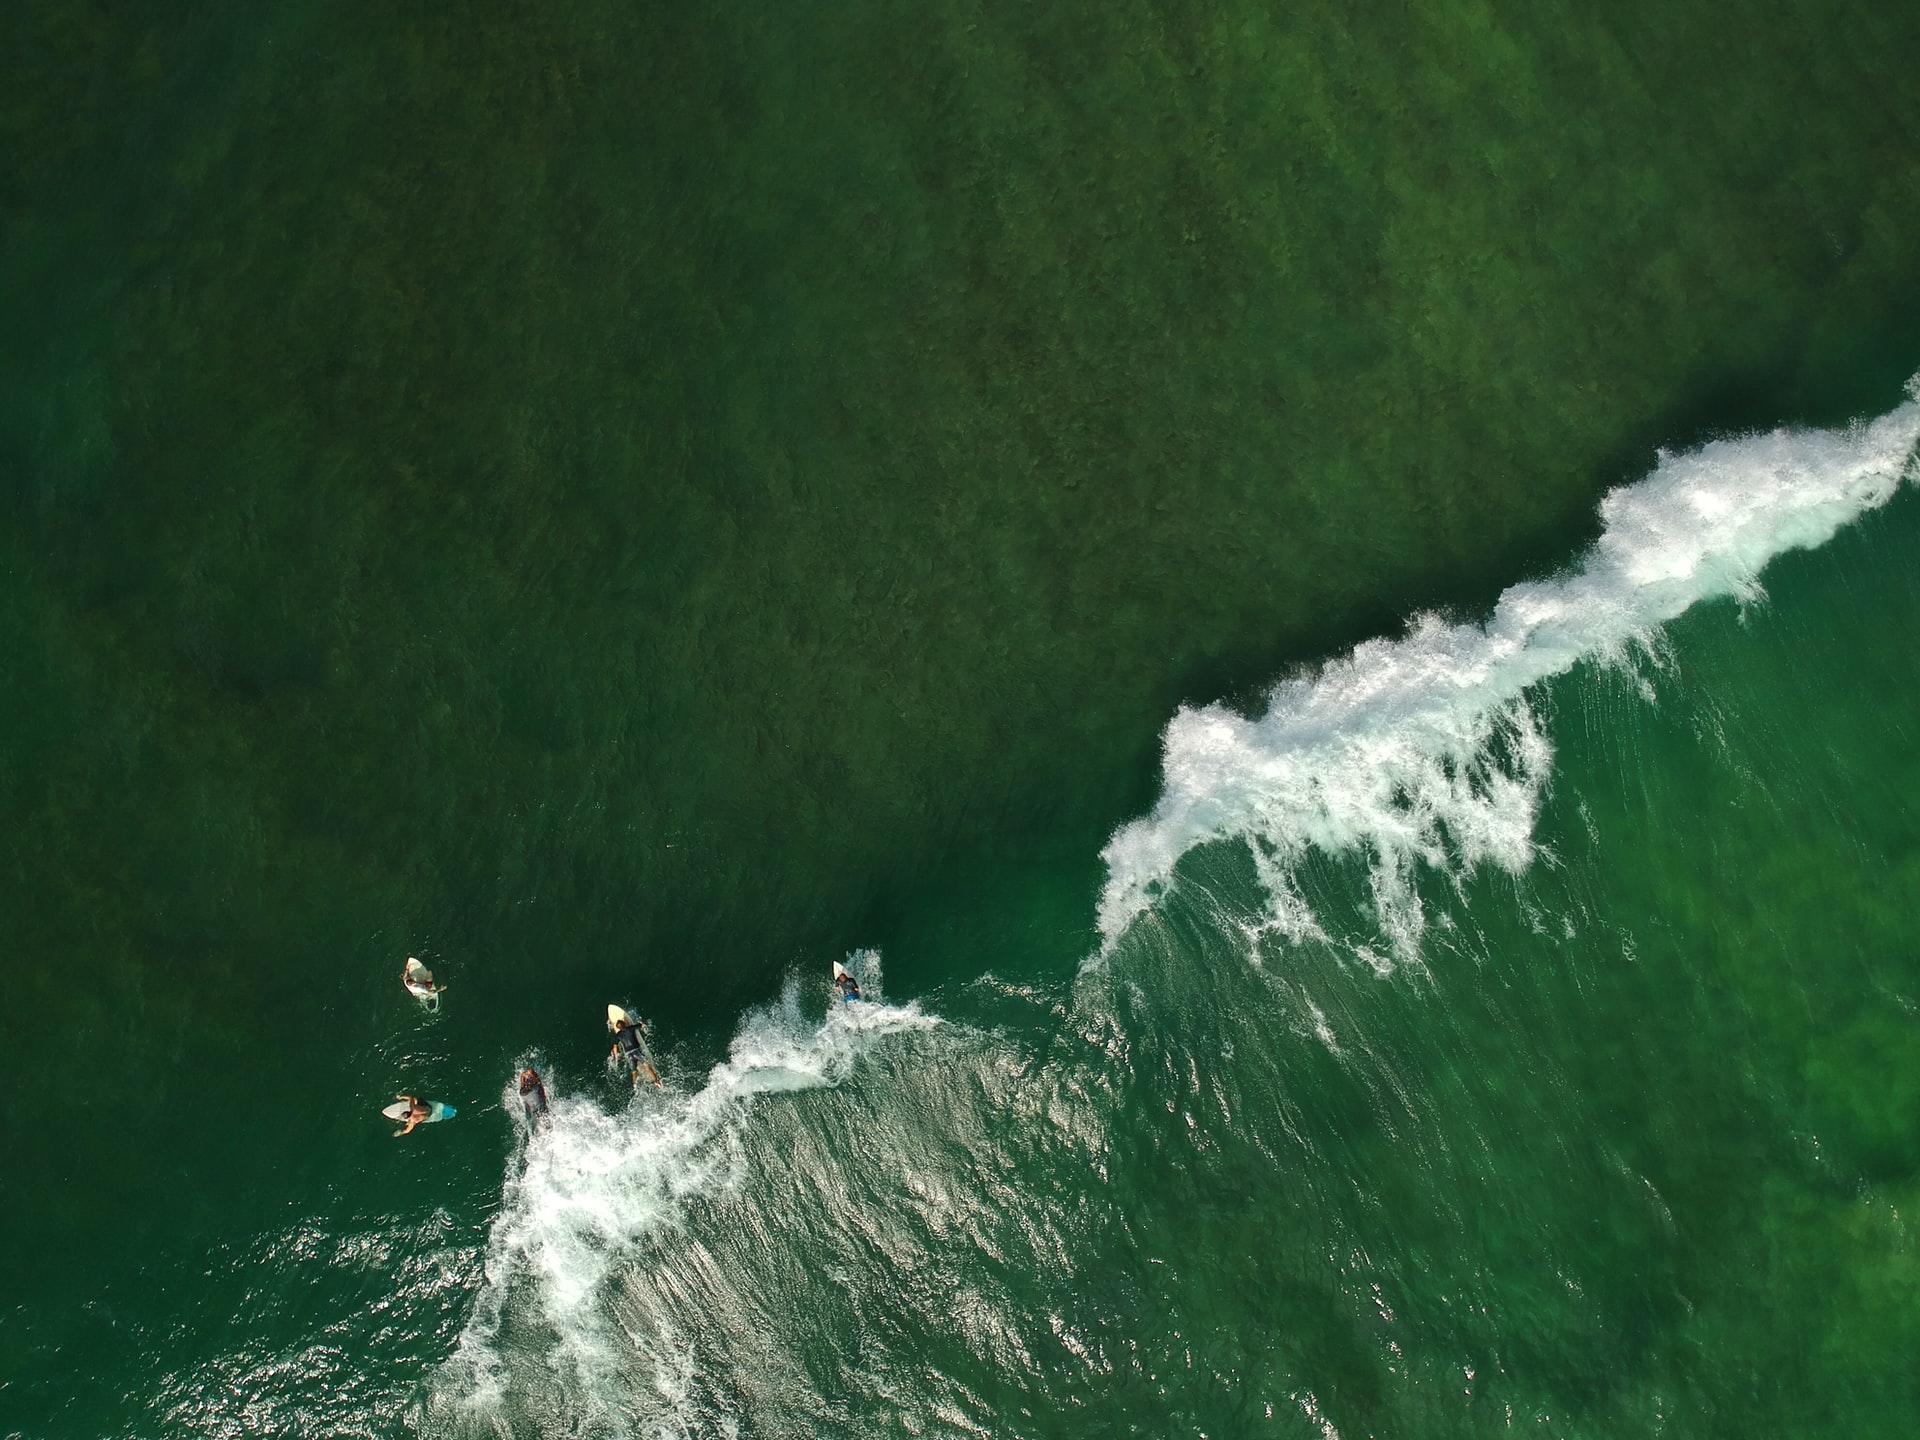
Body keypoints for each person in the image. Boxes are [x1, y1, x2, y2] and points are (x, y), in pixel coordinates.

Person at [610, 1016, 662, 1089]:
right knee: (646, 1065)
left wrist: (615, 1057)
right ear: (625, 1024)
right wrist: (644, 1026)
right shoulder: (631, 1028)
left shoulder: (618, 1035)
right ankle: (656, 1082)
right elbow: (642, 1025)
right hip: (636, 1051)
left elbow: (615, 1047)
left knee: (634, 1071)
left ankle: (635, 1085)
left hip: (628, 1054)